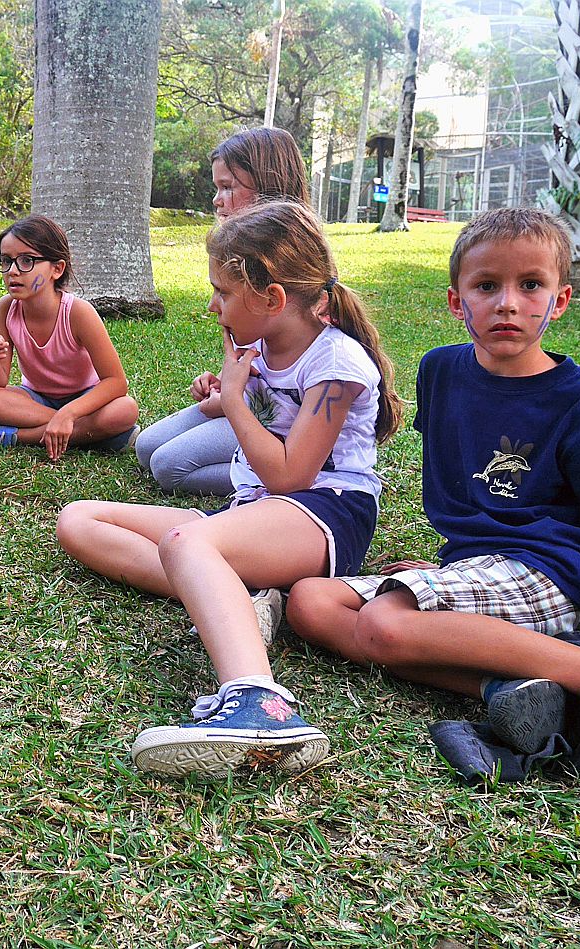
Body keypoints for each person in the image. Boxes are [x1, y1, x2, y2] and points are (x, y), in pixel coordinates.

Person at [287, 207, 580, 805]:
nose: (507, 303)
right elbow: (473, 503)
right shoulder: (440, 372)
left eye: (530, 285)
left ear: (560, 300)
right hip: (480, 569)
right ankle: (524, 686)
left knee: (385, 623)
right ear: (456, 300)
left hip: (555, 575)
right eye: (486, 285)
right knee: (310, 603)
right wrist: (444, 577)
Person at [56, 201, 403, 780]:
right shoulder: (263, 344)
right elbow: (259, 417)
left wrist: (238, 399)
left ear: (271, 298)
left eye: (223, 291)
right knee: (79, 519)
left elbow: (290, 474)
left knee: (186, 545)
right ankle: (236, 598)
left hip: (325, 511)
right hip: (257, 508)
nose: (213, 305)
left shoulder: (338, 361)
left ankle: (260, 703)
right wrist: (221, 395)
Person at [134, 126, 311, 496]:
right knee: (147, 446)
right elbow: (259, 353)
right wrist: (225, 382)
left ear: (268, 184)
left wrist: (235, 401)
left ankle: (300, 474)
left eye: (228, 187)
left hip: (282, 421)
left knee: (168, 468)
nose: (217, 200)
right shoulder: (238, 253)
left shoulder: (296, 266)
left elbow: (300, 376)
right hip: (250, 400)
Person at [0, 214, 139, 458]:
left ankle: (16, 437)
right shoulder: (6, 308)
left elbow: (116, 382)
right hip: (35, 401)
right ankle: (96, 437)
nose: (13, 271)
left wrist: (69, 413)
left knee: (125, 409)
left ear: (57, 268)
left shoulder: (78, 312)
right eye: (6, 261)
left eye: (26, 261)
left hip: (84, 400)